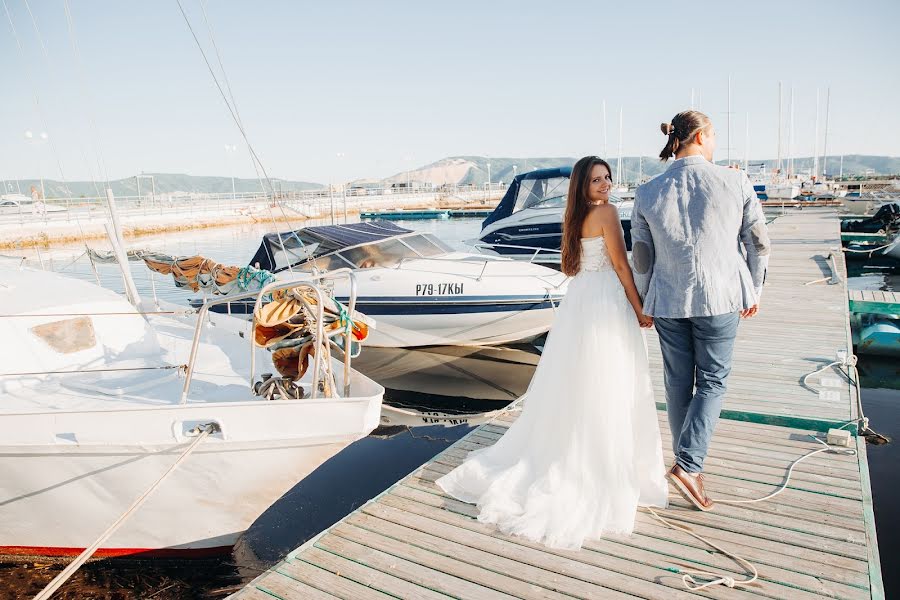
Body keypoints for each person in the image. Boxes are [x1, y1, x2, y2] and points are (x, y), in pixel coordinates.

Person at [436, 156, 668, 550]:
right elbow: (622, 266)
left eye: (607, 177)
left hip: (580, 300)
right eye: (597, 180)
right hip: (606, 302)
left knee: (579, 379)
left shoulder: (573, 216)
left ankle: (573, 446)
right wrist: (639, 307)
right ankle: (603, 463)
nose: (606, 184)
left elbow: (576, 266)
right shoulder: (607, 213)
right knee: (611, 380)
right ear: (582, 185)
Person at [631, 110, 771, 512]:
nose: (715, 142)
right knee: (712, 381)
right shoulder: (735, 180)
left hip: (669, 300)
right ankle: (689, 467)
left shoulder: (647, 191)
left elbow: (642, 256)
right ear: (702, 136)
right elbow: (758, 243)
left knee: (678, 383)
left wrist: (645, 298)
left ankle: (687, 464)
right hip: (721, 297)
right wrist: (755, 287)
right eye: (714, 136)